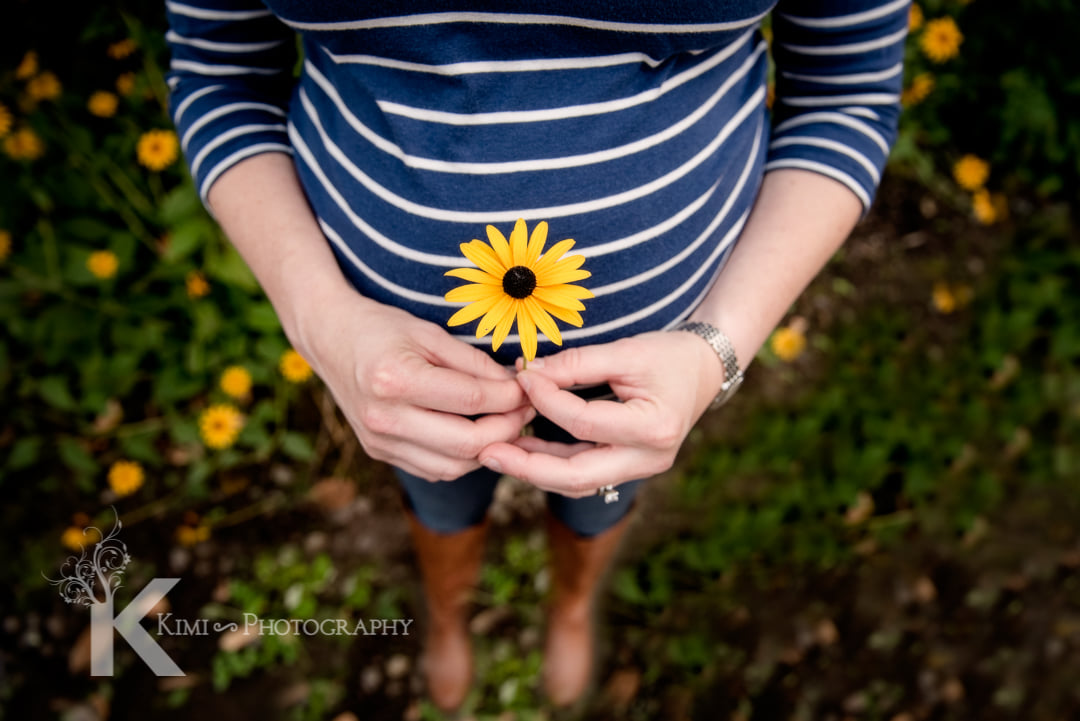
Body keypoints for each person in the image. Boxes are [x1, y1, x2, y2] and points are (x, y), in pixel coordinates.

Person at [166, 0, 909, 710]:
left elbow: (847, 94)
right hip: (400, 377)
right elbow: (218, 72)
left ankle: (573, 603)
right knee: (439, 501)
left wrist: (713, 348)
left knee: (600, 502)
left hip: (642, 375)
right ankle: (449, 613)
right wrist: (321, 319)